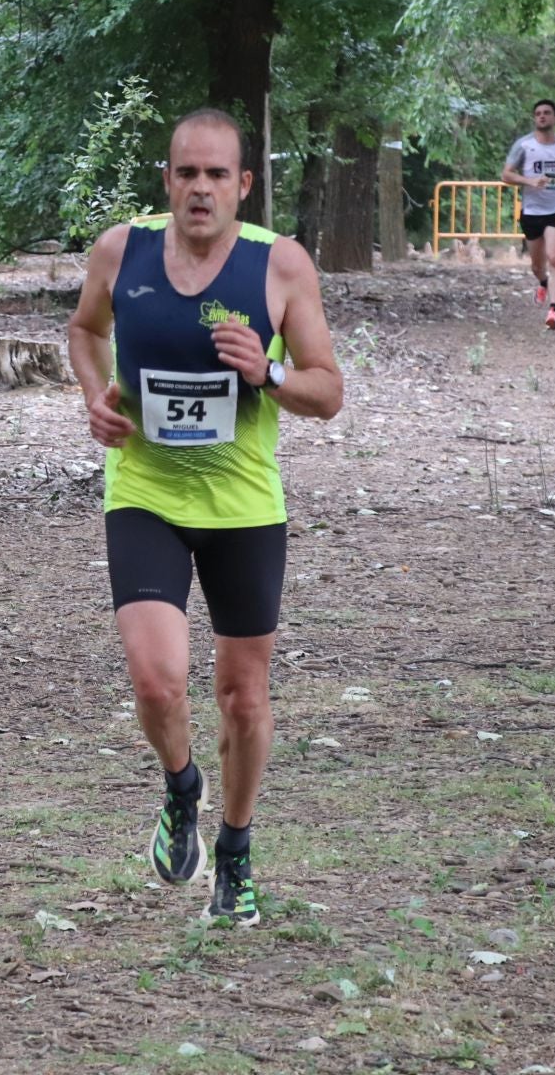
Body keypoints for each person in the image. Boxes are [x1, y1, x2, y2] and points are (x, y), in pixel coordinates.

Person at [66, 109, 343, 927]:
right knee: (157, 682)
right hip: (145, 490)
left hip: (243, 506)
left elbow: (328, 392)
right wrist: (93, 397)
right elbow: (84, 331)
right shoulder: (122, 251)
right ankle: (183, 786)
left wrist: (271, 372)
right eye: (187, 172)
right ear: (167, 179)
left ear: (243, 185)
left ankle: (236, 845)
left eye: (217, 174)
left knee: (244, 699)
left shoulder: (279, 267)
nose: (200, 188)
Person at [500, 99, 555, 329]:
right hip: (532, 211)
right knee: (537, 265)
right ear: (535, 118)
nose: (542, 116)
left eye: (547, 113)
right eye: (538, 113)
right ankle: (543, 282)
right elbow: (506, 175)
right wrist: (530, 181)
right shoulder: (523, 145)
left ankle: (554, 310)